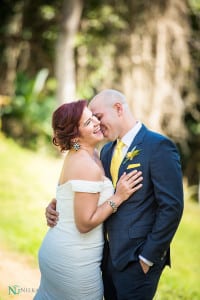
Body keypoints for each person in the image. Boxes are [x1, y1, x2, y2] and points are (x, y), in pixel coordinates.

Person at [46, 89, 184, 300]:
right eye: (90, 120)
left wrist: (148, 258)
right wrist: (61, 205)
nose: (97, 124)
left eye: (98, 117)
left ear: (118, 108)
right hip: (105, 259)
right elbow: (81, 173)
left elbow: (172, 207)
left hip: (138, 261)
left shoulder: (158, 147)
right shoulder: (104, 151)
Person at [34, 99, 143, 300]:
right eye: (87, 122)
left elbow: (72, 194)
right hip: (73, 260)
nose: (96, 122)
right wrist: (118, 197)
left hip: (61, 250)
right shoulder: (86, 164)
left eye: (93, 116)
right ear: (75, 135)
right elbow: (84, 224)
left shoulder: (87, 153)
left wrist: (57, 204)